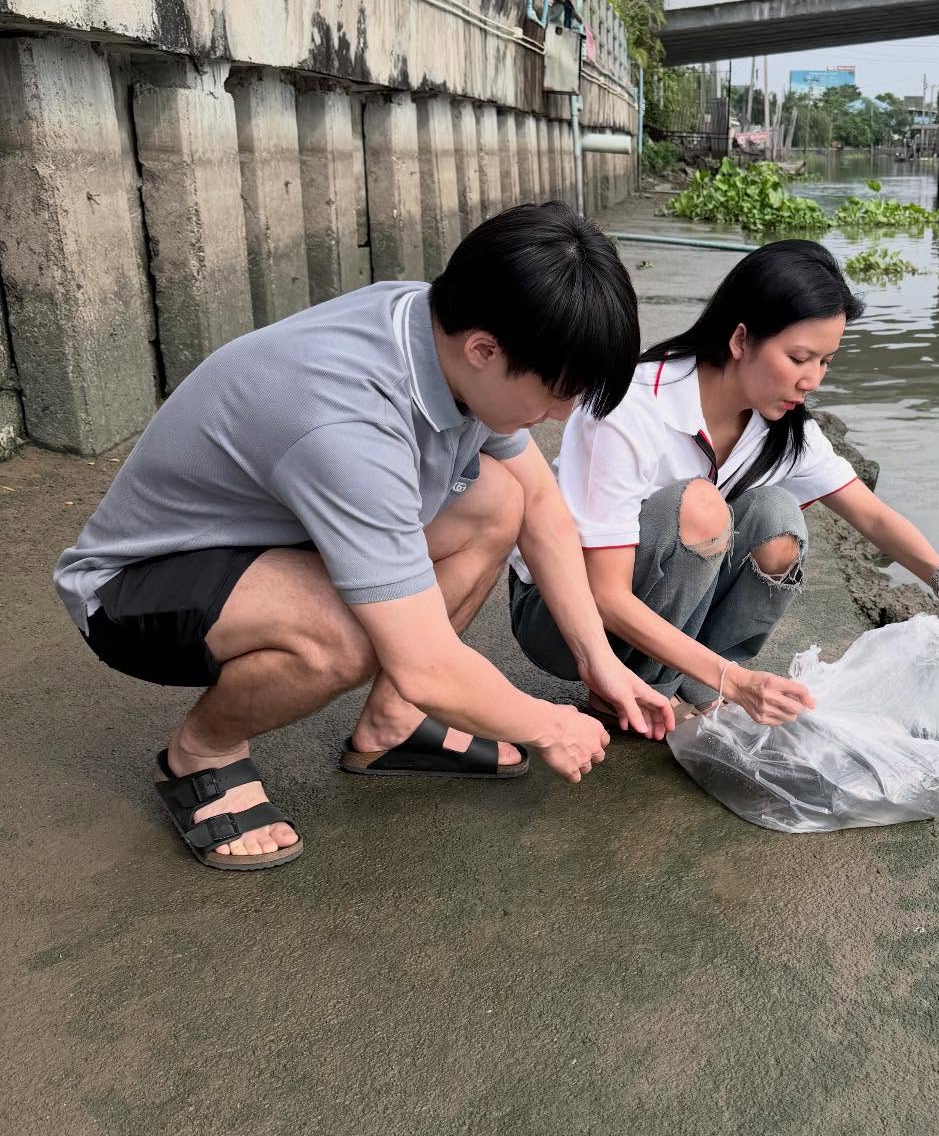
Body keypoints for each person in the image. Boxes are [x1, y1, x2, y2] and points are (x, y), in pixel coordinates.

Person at [54, 203, 675, 872]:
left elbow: (543, 508)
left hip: (270, 537)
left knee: (500, 498)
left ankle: (392, 723)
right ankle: (202, 753)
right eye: (558, 394)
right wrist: (547, 722)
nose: (561, 414)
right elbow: (424, 661)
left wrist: (597, 660)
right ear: (484, 350)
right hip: (137, 583)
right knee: (349, 636)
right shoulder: (348, 423)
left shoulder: (438, 331)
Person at [509, 239, 939, 728]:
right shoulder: (630, 407)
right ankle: (634, 693)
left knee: (779, 519)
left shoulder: (778, 426)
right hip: (562, 619)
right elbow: (603, 593)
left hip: (659, 608)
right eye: (799, 359)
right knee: (703, 508)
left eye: (825, 362)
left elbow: (870, 514)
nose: (813, 380)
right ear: (739, 340)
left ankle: (697, 690)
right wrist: (736, 680)